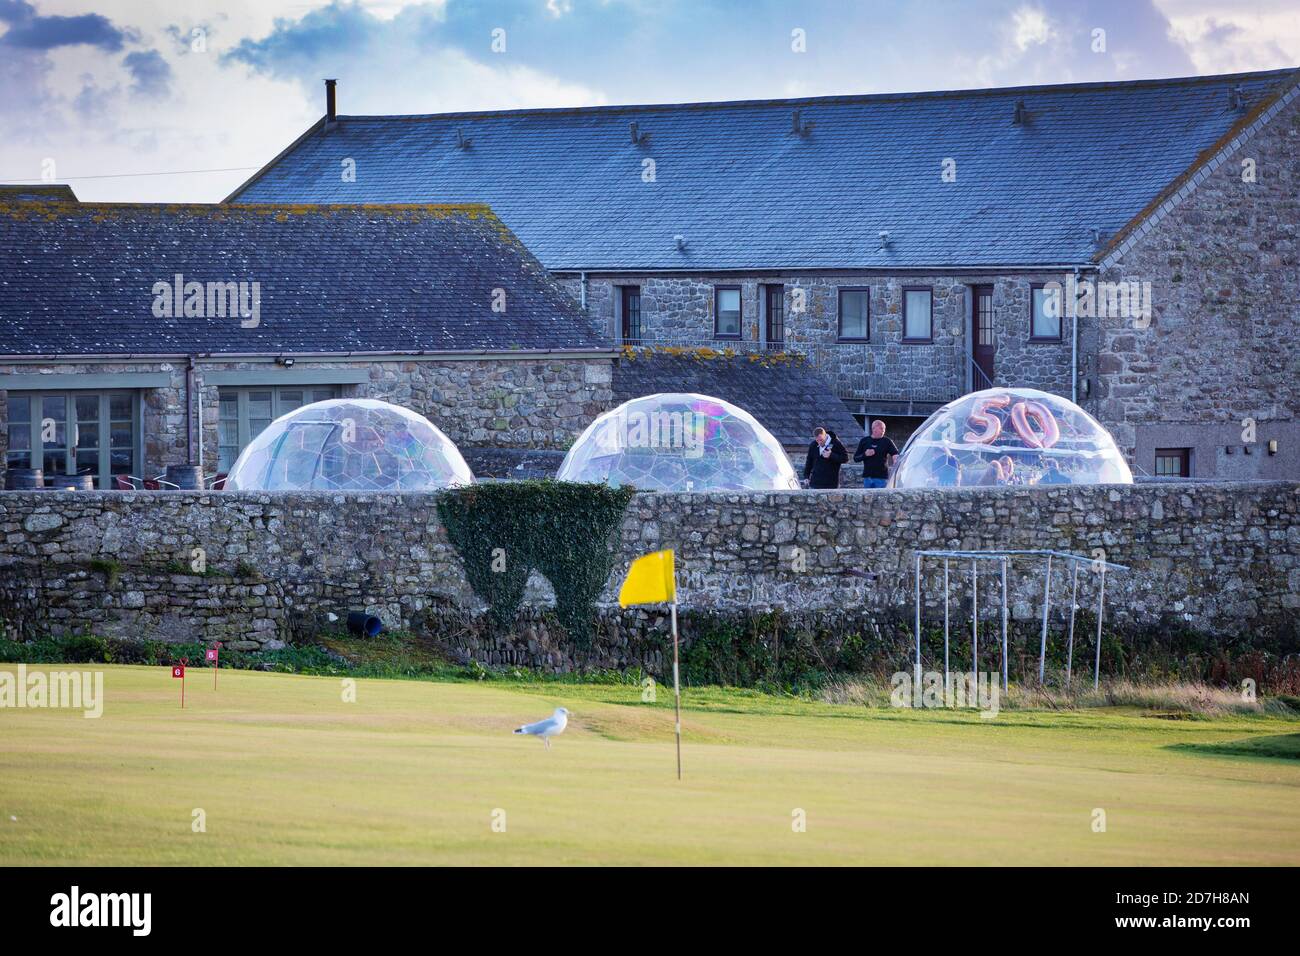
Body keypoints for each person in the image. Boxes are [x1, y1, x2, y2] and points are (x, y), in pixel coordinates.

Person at [853, 420, 899, 489]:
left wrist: (895, 460)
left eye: (883, 429)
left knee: (882, 498)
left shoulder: (887, 441)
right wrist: (865, 454)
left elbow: (895, 453)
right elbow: (856, 458)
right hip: (867, 477)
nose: (882, 432)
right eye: (880, 429)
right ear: (873, 429)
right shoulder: (864, 441)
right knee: (867, 499)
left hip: (881, 477)